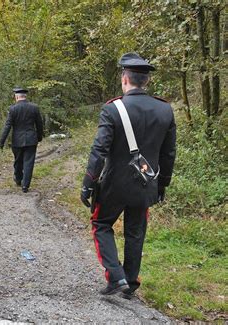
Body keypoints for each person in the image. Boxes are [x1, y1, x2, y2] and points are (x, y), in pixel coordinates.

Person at [80, 53, 176, 297]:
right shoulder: (165, 110)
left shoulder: (112, 109)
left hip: (114, 185)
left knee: (101, 224)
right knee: (136, 232)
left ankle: (115, 276)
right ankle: (130, 283)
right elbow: (169, 154)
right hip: (146, 184)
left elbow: (99, 151)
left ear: (125, 79)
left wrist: (88, 183)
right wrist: (162, 186)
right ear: (146, 82)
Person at [0, 87, 44, 193]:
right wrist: (39, 136)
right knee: (29, 162)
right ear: (25, 96)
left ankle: (19, 180)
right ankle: (25, 186)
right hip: (31, 139)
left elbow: (7, 126)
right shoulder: (34, 107)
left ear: (17, 97)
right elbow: (39, 124)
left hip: (17, 140)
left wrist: (1, 141)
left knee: (18, 161)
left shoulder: (12, 109)